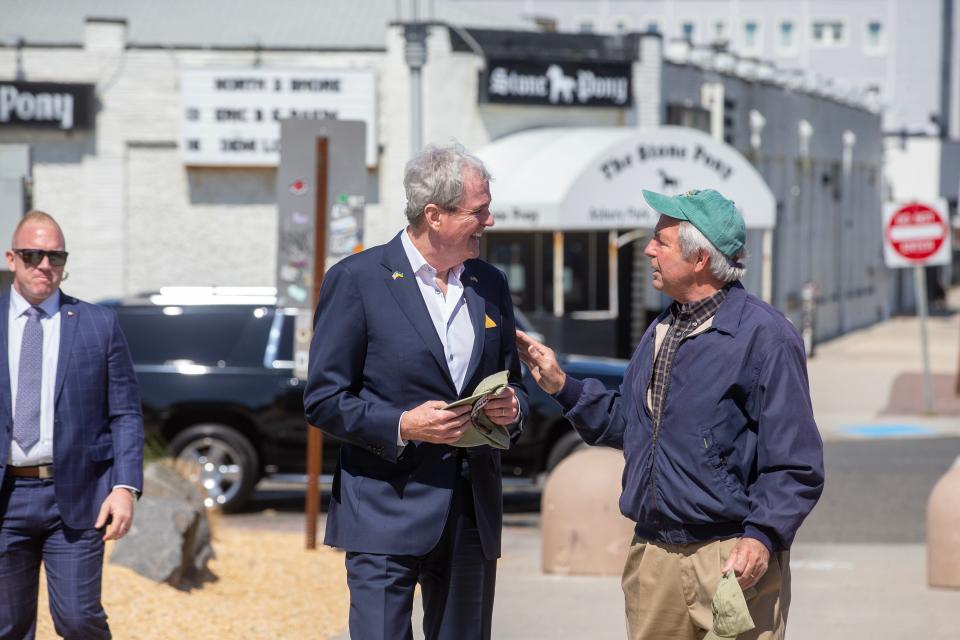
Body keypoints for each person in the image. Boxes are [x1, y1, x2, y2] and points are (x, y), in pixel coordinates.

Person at [517, 189, 824, 640]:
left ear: (699, 257)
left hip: (730, 559)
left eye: (660, 240)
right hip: (654, 557)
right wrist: (563, 386)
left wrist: (762, 536)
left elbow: (796, 463)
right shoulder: (663, 328)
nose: (648, 250)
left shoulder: (766, 337)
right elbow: (631, 424)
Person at [304, 143, 528, 639]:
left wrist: (513, 407)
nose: (489, 221)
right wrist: (404, 425)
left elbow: (515, 384)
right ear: (435, 214)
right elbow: (322, 399)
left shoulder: (491, 282)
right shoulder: (357, 280)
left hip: (471, 512)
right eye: (479, 211)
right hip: (383, 510)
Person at [0, 211, 144, 639]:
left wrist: (125, 486)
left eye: (56, 257)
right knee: (7, 626)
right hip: (7, 499)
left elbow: (126, 413)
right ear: (12, 258)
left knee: (80, 621)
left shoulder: (98, 325)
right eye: (33, 255)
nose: (45, 265)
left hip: (78, 499)